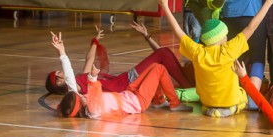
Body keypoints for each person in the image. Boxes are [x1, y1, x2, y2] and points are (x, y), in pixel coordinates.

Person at [155, 0, 273, 117]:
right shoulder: (229, 49)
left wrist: (165, 6)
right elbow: (251, 27)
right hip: (229, 101)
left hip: (207, 101)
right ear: (221, 37)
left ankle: (209, 108)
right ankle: (231, 109)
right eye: (225, 34)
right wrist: (269, 2)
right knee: (244, 97)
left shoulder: (197, 51)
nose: (227, 36)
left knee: (202, 97)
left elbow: (178, 31)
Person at [51, 32, 191, 118]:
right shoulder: (92, 109)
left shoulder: (82, 100)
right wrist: (93, 77)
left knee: (154, 67)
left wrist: (62, 52)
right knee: (159, 68)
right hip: (137, 102)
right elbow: (92, 89)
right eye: (79, 97)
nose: (81, 95)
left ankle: (159, 101)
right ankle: (175, 104)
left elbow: (70, 77)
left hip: (128, 93)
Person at [45, 26, 194, 95]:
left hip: (126, 79)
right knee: (164, 53)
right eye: (60, 73)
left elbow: (89, 59)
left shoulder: (80, 79)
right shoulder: (75, 88)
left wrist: (95, 42)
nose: (63, 73)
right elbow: (70, 78)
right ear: (59, 81)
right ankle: (189, 89)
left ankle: (188, 88)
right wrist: (61, 52)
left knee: (165, 57)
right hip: (127, 83)